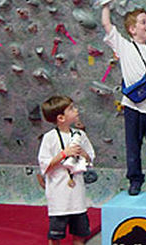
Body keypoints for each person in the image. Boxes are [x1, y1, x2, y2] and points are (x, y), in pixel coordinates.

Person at [101, 2, 146, 196]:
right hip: (132, 107)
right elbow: (107, 25)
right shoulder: (124, 47)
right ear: (132, 29)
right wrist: (106, 4)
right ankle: (135, 180)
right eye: (143, 22)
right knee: (133, 147)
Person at [38, 95, 95, 245]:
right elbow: (45, 165)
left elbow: (90, 160)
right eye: (71, 109)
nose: (76, 110)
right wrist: (64, 154)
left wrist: (84, 154)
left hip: (77, 196)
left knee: (80, 234)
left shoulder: (80, 135)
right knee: (56, 235)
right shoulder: (49, 138)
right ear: (61, 118)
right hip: (59, 196)